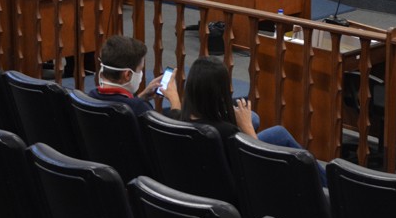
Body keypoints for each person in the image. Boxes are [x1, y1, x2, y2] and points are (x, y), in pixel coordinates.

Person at [155, 56, 323, 182]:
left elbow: (176, 112)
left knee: (255, 119)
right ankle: (328, 183)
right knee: (280, 134)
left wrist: (173, 98)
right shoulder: (226, 131)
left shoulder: (174, 118)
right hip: (236, 181)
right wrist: (246, 127)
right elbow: (258, 162)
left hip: (198, 170)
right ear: (219, 92)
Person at [86, 35, 160, 116]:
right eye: (140, 69)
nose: (141, 73)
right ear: (127, 75)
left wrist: (141, 97)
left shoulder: (90, 97)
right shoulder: (140, 108)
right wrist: (171, 99)